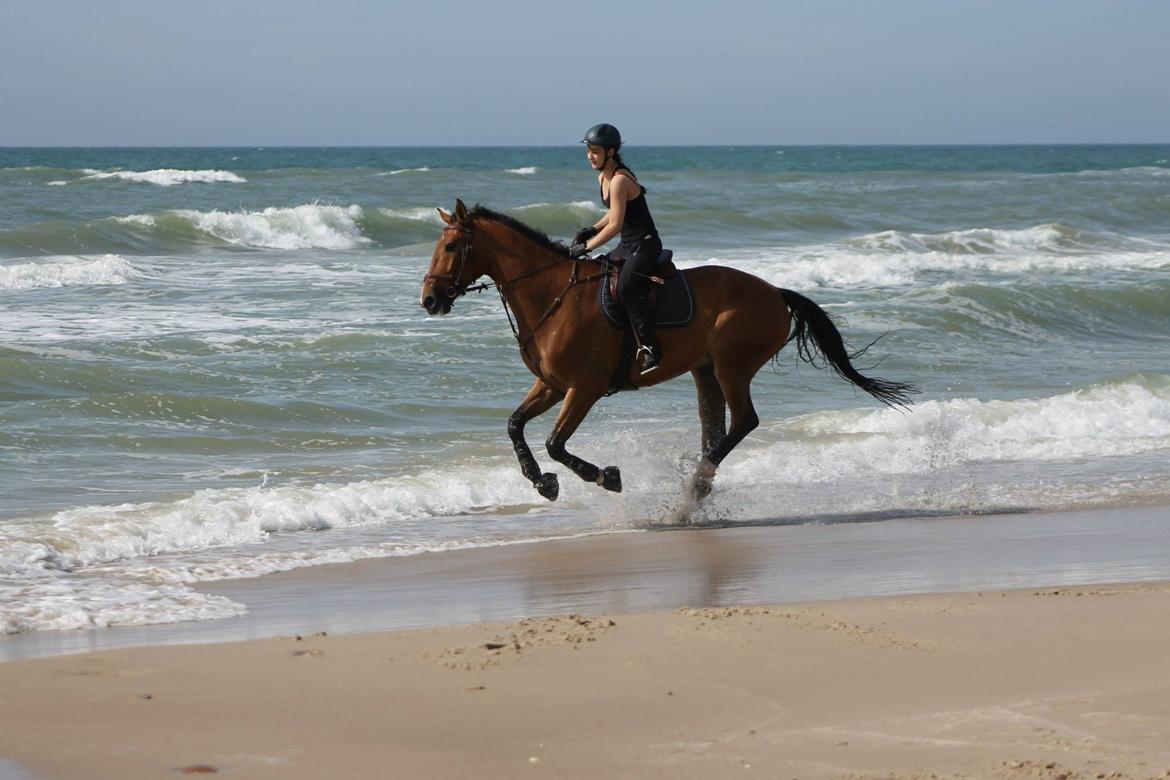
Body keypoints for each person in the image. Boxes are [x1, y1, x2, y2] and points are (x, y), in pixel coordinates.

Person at [568, 123, 664, 374]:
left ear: (611, 152)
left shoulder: (620, 179)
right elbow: (611, 214)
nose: (590, 156)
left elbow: (615, 225)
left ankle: (651, 348)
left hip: (644, 245)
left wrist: (586, 246)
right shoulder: (604, 176)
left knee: (626, 288)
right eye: (588, 150)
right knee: (597, 275)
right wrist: (590, 228)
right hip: (628, 245)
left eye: (595, 151)